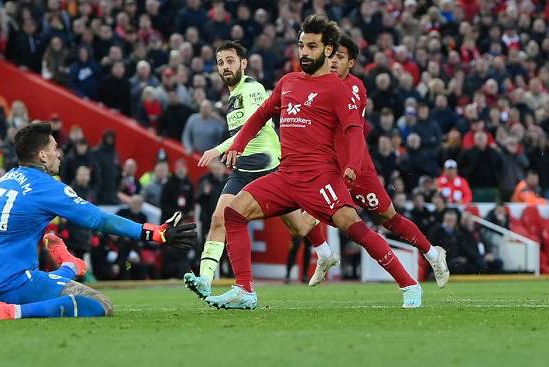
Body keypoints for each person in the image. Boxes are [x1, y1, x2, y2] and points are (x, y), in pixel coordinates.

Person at [209, 16, 422, 309]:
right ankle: (245, 290)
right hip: (285, 176)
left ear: (329, 49)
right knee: (233, 213)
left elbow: (354, 132)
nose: (304, 52)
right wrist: (238, 144)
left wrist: (353, 165)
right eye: (301, 45)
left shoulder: (337, 89)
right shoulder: (288, 82)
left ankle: (409, 285)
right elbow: (259, 115)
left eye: (312, 46)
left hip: (320, 178)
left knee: (355, 229)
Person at [0, 123, 197, 319]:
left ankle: (70, 265)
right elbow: (97, 218)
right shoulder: (47, 188)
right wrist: (154, 233)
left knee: (65, 268)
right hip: (14, 285)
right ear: (43, 155)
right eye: (55, 147)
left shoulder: (4, 182)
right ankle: (12, 312)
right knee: (99, 305)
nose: (59, 153)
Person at [183, 40, 332, 300]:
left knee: (298, 228)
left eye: (230, 61)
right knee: (220, 218)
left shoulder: (251, 88)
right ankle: (205, 279)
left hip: (269, 167)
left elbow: (250, 126)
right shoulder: (233, 94)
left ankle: (324, 238)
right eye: (220, 62)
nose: (225, 67)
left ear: (243, 63)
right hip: (243, 170)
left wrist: (218, 150)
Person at [309, 35, 448, 288]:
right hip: (328, 167)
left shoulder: (353, 88)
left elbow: (352, 128)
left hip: (356, 168)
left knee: (388, 218)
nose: (332, 62)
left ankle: (433, 255)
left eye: (339, 57)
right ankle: (324, 254)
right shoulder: (315, 83)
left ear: (350, 63)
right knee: (301, 209)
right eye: (330, 56)